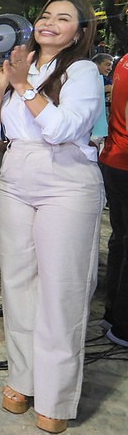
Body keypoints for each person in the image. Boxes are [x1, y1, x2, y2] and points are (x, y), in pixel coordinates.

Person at [0, 0, 104, 434]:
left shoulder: (82, 71)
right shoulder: (20, 68)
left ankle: (55, 396)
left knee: (61, 289)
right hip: (16, 177)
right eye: (46, 14)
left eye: (63, 18)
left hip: (66, 180)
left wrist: (23, 87)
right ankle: (22, 378)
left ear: (79, 31)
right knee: (18, 284)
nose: (49, 22)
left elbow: (63, 127)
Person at [100, 53, 128, 348]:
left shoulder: (124, 62)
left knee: (120, 239)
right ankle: (123, 325)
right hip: (125, 162)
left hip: (115, 159)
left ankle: (112, 313)